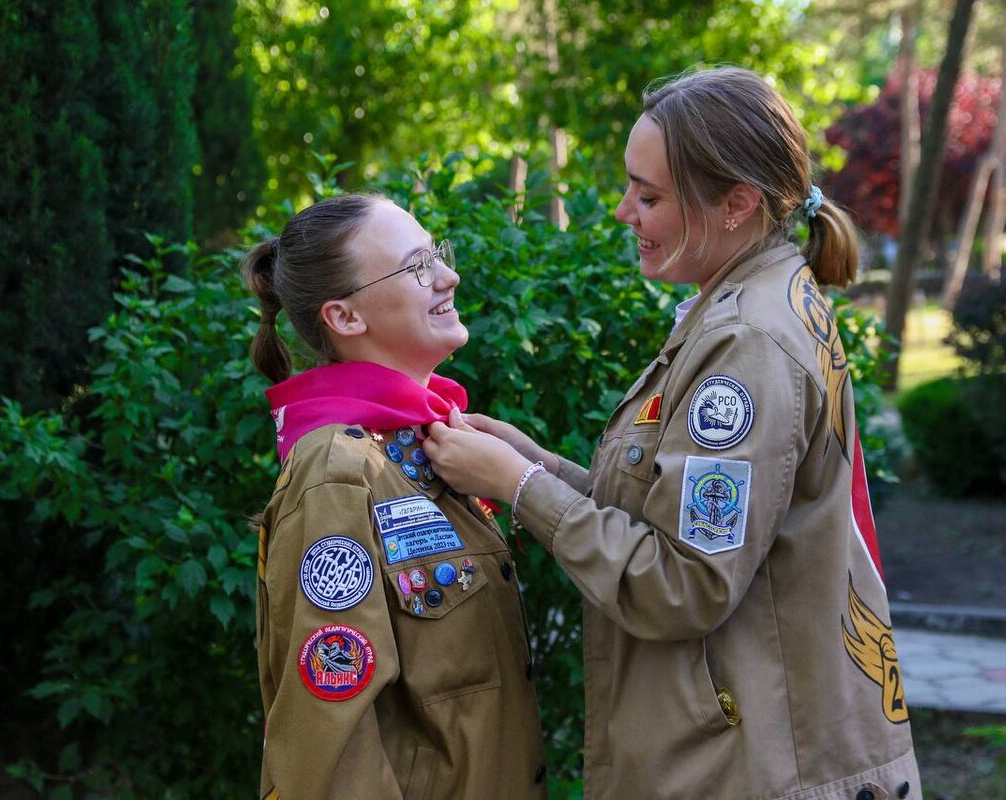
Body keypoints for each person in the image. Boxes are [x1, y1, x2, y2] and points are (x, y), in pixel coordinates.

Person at [425, 67, 922, 800]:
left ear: (737, 204)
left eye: (649, 196)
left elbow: (684, 584)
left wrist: (518, 487)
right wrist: (537, 464)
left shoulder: (747, 343)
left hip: (745, 771)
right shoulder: (749, 302)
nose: (624, 211)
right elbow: (672, 514)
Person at [242, 194, 547, 800]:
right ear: (345, 317)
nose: (448, 276)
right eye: (416, 267)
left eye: (437, 254)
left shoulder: (426, 445)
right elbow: (333, 747)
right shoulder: (337, 471)